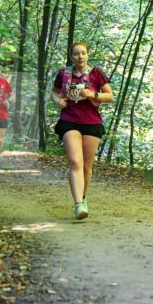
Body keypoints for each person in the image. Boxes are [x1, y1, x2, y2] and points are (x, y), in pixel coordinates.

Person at [50, 42, 113, 220]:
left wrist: (92, 94)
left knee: (86, 166)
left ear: (87, 54)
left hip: (91, 122)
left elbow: (110, 96)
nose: (80, 57)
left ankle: (83, 199)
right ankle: (78, 205)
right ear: (72, 56)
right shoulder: (63, 73)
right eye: (76, 54)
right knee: (75, 162)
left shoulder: (96, 73)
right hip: (69, 120)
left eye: (83, 53)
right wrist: (58, 101)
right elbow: (54, 92)